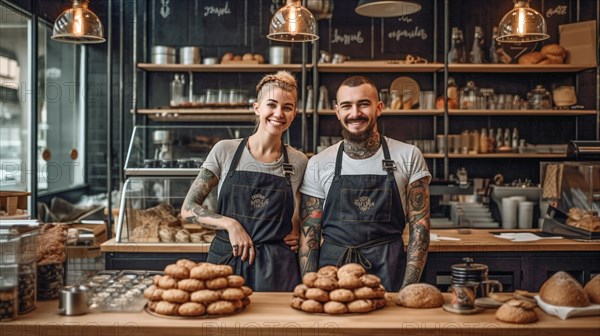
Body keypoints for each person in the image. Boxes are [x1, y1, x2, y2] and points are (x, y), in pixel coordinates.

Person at [298, 75, 431, 291]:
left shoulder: (408, 156)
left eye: (363, 104)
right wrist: (312, 287)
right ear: (337, 111)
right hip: (333, 272)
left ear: (379, 108)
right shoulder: (318, 163)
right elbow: (309, 234)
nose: (355, 113)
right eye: (347, 106)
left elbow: (420, 228)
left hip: (389, 267)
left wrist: (408, 287)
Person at [181, 71, 308, 291]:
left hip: (276, 268)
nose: (279, 113)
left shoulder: (298, 161)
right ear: (257, 107)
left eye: (287, 107)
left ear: (294, 112)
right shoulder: (225, 150)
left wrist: (296, 230)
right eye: (272, 104)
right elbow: (188, 209)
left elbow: (299, 209)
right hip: (226, 262)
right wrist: (230, 225)